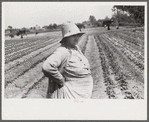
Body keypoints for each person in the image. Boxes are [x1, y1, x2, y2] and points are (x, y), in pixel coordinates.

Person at [42, 21, 93, 99]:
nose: (77, 38)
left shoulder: (76, 48)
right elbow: (47, 66)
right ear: (66, 38)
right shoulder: (63, 50)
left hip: (82, 92)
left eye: (78, 35)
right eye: (73, 36)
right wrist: (60, 79)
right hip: (71, 93)